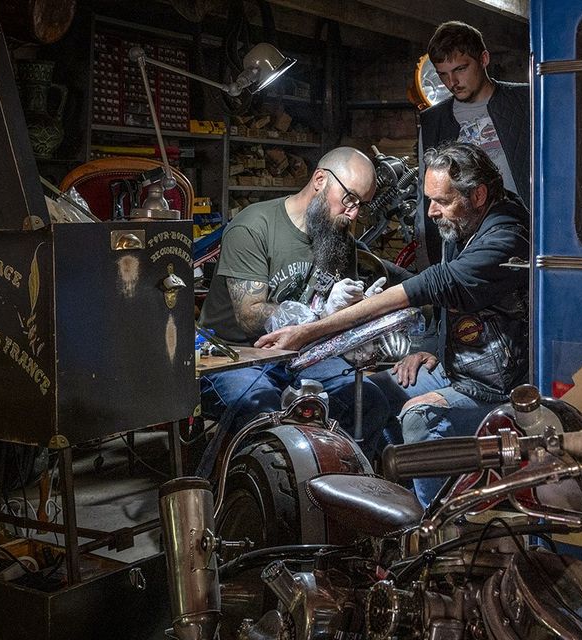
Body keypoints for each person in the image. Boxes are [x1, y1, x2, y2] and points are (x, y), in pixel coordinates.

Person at [258, 142, 530, 505]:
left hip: (496, 387)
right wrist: (431, 348)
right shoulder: (463, 223)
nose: (432, 212)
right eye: (429, 200)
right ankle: (384, 498)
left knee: (418, 417)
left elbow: (435, 284)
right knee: (375, 394)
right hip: (459, 369)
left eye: (442, 201)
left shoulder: (506, 235)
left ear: (478, 194)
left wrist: (311, 330)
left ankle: (432, 526)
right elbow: (452, 301)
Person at [196, 147, 390, 477]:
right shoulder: (253, 227)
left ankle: (344, 491)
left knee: (370, 402)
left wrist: (360, 320)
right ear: (319, 180)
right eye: (349, 199)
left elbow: (337, 310)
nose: (353, 214)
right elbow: (250, 314)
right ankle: (252, 499)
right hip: (238, 356)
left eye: (361, 205)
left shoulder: (338, 239)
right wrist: (320, 316)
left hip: (303, 354)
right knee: (265, 410)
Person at [416, 20, 530, 268]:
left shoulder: (527, 102)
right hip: (461, 246)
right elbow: (424, 198)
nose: (452, 82)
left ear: (484, 59)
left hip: (521, 242)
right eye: (443, 74)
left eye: (460, 69)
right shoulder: (433, 121)